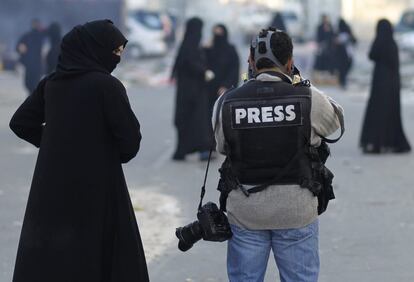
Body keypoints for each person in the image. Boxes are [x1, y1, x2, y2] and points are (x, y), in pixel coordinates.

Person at [9, 20, 149, 281]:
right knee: (98, 255)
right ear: (95, 49)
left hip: (52, 185)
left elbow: (20, 123)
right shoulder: (107, 86)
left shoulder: (51, 83)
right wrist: (100, 151)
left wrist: (56, 143)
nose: (117, 58)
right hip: (99, 186)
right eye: (115, 52)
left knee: (53, 256)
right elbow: (130, 143)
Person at [213, 28, 343, 282]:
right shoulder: (308, 97)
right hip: (296, 210)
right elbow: (334, 122)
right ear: (290, 62)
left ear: (250, 62)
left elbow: (221, 146)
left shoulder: (226, 102)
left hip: (246, 211)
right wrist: (300, 82)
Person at [360, 19, 411, 153]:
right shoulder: (392, 44)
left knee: (377, 113)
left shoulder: (379, 43)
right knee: (390, 114)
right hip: (392, 85)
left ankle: (376, 144)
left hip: (379, 84)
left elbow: (371, 55)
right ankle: (390, 143)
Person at [171, 17, 214, 161]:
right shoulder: (191, 45)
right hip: (194, 91)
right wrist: (204, 72)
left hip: (187, 91)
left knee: (187, 120)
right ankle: (198, 150)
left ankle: (183, 151)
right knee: (197, 121)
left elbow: (180, 64)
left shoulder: (188, 44)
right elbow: (190, 63)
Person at [205, 24, 240, 116]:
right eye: (216, 34)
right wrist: (205, 49)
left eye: (220, 34)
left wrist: (226, 85)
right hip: (208, 90)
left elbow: (234, 70)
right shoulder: (208, 49)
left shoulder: (230, 50)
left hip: (224, 90)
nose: (218, 37)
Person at [16, 19, 45, 95]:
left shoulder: (41, 35)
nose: (36, 26)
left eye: (37, 24)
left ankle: (33, 99)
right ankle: (32, 98)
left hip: (37, 65)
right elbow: (18, 46)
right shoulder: (28, 36)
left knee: (34, 84)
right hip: (29, 65)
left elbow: (52, 31)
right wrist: (20, 48)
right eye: (35, 24)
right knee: (28, 84)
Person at [334, 18, 357, 89]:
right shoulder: (346, 32)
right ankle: (343, 82)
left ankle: (343, 82)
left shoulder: (342, 33)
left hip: (344, 55)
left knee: (343, 70)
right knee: (344, 69)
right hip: (348, 54)